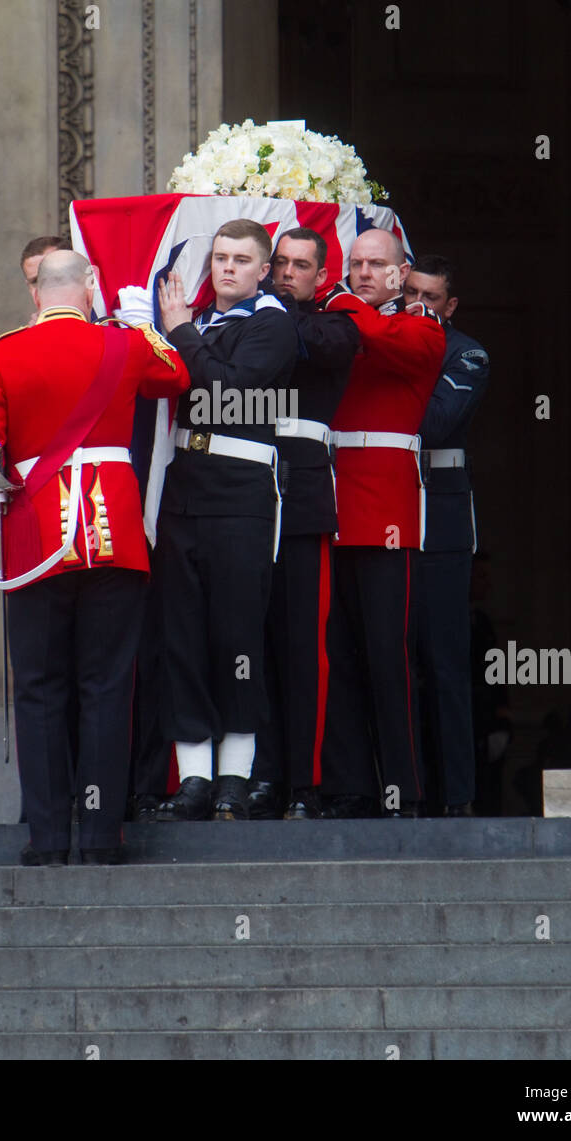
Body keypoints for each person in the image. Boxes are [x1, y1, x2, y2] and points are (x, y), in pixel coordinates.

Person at [0, 251, 190, 864]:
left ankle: (47, 839)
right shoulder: (124, 346)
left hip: (38, 540)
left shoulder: (3, 353)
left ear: (38, 296)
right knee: (106, 687)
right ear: (90, 288)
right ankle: (101, 837)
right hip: (112, 538)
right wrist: (148, 324)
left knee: (42, 691)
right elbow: (176, 376)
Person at [154, 219, 298, 821]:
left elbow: (228, 392)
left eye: (241, 259)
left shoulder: (273, 324)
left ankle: (235, 777)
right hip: (186, 488)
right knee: (181, 637)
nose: (228, 268)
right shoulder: (203, 324)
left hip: (241, 495)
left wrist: (183, 330)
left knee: (237, 638)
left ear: (264, 270)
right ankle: (193, 779)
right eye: (219, 258)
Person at [320, 227, 445, 818]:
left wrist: (339, 297)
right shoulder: (340, 322)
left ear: (401, 273)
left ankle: (404, 788)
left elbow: (381, 337)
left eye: (377, 264)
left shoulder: (421, 326)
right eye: (356, 264)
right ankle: (352, 786)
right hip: (331, 501)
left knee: (387, 657)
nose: (364, 272)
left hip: (386, 509)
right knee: (335, 655)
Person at [248, 228, 360, 820]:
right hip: (245, 498)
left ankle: (304, 782)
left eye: (300, 266)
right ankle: (261, 776)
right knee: (249, 645)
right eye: (281, 263)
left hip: (303, 499)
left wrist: (267, 308)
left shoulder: (333, 324)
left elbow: (324, 347)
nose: (289, 272)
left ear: (322, 276)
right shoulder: (254, 320)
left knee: (303, 648)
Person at [403, 256, 489, 817]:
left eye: (429, 298)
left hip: (440, 512)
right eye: (410, 293)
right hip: (383, 506)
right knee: (390, 657)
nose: (417, 305)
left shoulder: (467, 352)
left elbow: (433, 423)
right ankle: (399, 791)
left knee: (444, 660)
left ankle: (456, 797)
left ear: (449, 306)